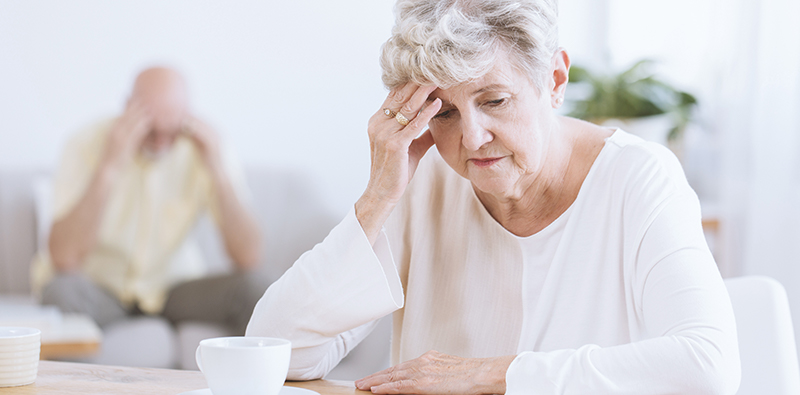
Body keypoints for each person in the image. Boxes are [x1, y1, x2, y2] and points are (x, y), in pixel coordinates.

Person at [246, 0, 741, 393]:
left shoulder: (638, 178)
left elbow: (707, 365)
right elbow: (276, 352)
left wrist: (489, 376)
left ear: (554, 81)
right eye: (444, 113)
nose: (472, 138)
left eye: (495, 101)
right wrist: (377, 197)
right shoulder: (424, 181)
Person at [32, 67, 264, 335]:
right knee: (60, 291)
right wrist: (109, 166)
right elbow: (63, 257)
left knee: (257, 287)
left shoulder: (206, 148)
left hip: (172, 291)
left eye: (172, 131)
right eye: (151, 130)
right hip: (101, 289)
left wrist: (218, 171)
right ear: (128, 108)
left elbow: (250, 257)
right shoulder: (85, 143)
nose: (161, 143)